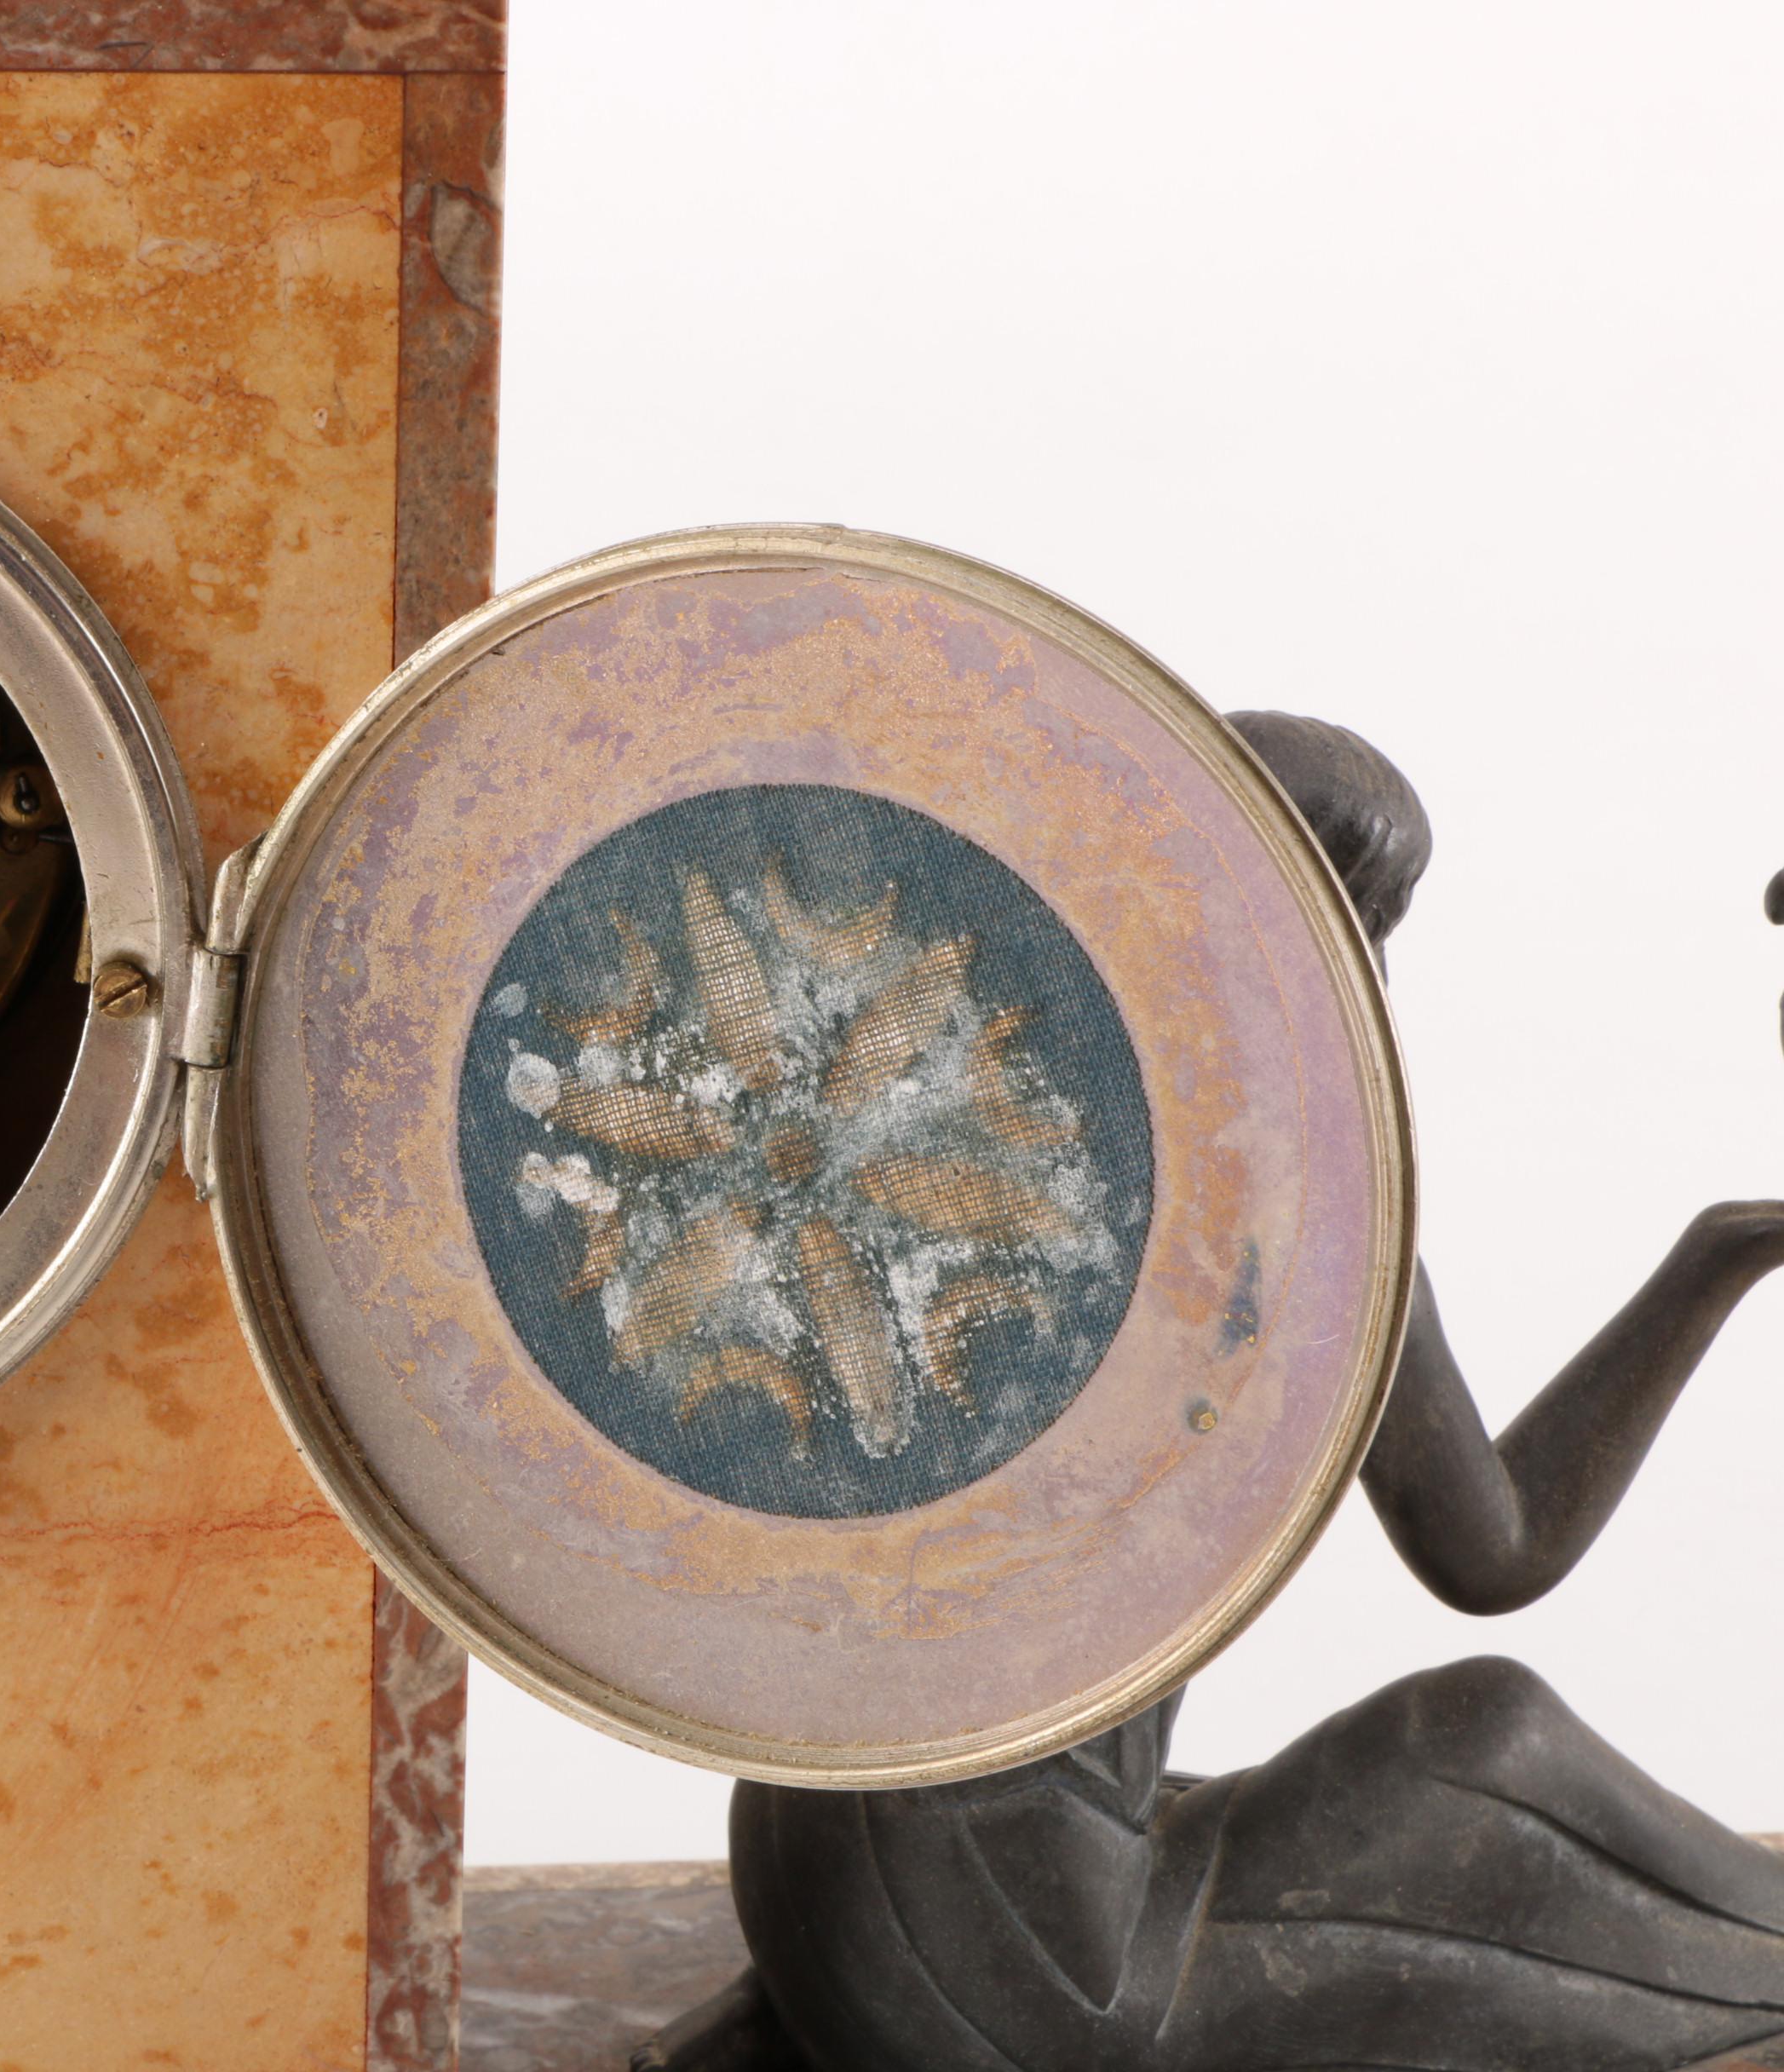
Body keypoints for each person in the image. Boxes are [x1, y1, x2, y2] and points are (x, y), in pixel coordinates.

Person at [642, 711, 1784, 2072]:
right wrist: (1721, 1261)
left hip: (809, 1893)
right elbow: (1499, 1549)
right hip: (1044, 1974)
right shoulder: (1300, 1216)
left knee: (1393, 1775)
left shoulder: (933, 1130)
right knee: (1493, 1746)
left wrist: (1725, 1246)